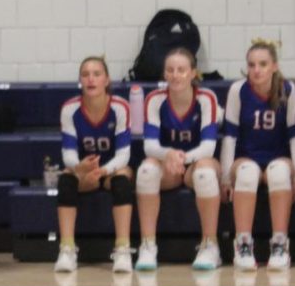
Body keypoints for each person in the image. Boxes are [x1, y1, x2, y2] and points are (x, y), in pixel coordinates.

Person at [220, 40, 295, 271]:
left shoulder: (287, 90)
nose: (256, 70)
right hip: (246, 158)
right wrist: (227, 178)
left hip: (277, 157)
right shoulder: (238, 90)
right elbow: (230, 136)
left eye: (263, 64)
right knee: (247, 174)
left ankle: (279, 244)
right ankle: (243, 244)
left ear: (274, 66)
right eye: (252, 64)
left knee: (279, 173)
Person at [136, 48, 221, 270]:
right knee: (146, 172)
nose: (175, 75)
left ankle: (210, 245)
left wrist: (181, 158)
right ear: (164, 74)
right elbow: (150, 146)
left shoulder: (206, 98)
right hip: (169, 165)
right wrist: (168, 155)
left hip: (198, 162)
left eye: (181, 70)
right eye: (170, 70)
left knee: (204, 173)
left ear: (193, 73)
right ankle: (147, 246)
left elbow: (209, 147)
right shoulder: (155, 99)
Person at [54, 56, 133, 273]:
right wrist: (81, 168)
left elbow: (124, 154)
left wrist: (103, 170)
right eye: (86, 74)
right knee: (66, 180)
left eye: (97, 74)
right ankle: (67, 249)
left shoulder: (119, 107)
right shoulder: (70, 109)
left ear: (106, 80)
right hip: (84, 169)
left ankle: (123, 249)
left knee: (123, 181)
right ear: (80, 80)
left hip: (110, 168)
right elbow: (68, 153)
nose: (91, 79)